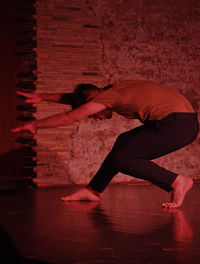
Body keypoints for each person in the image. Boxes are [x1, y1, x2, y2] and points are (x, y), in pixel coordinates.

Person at [12, 80, 199, 208]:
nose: (96, 118)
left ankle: (176, 181)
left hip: (177, 125)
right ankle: (93, 190)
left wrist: (33, 124)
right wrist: (43, 96)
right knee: (124, 143)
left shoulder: (108, 98)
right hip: (183, 121)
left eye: (93, 114)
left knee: (123, 158)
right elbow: (79, 98)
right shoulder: (110, 90)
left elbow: (68, 117)